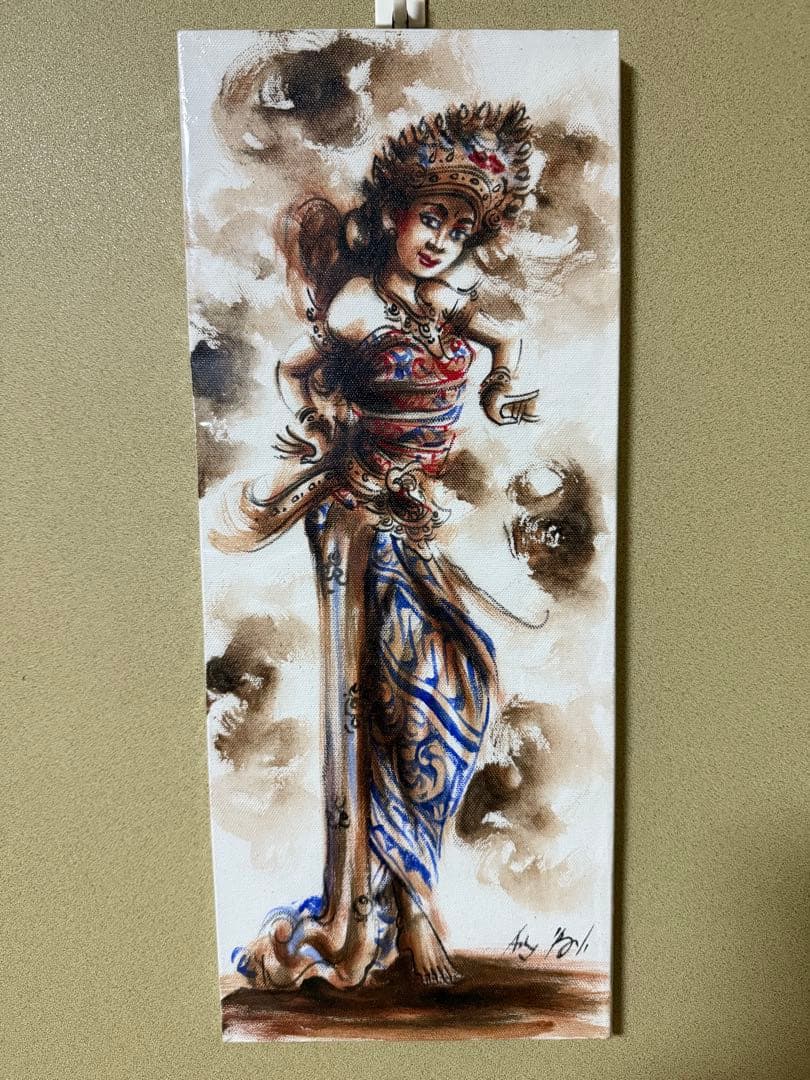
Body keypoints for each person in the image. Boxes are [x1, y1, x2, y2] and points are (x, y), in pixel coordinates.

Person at [218, 102, 538, 988]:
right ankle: (380, 911)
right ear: (396, 212)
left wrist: (502, 390)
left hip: (416, 523)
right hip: (359, 523)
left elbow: (505, 336)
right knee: (385, 704)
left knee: (459, 684)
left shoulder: (441, 301)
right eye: (432, 218)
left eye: (460, 230)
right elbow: (294, 370)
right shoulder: (359, 306)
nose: (442, 241)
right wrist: (314, 428)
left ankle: (407, 896)